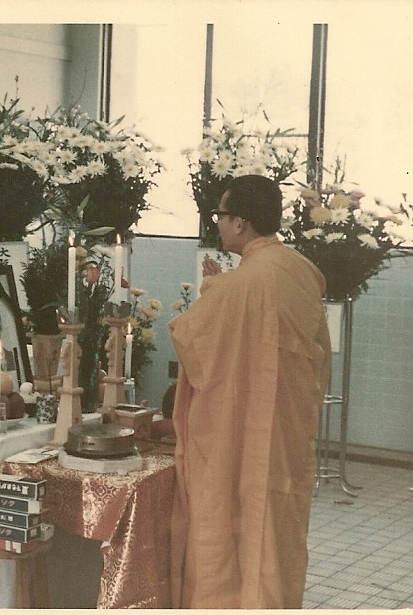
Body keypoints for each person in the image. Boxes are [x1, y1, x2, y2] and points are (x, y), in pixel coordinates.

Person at [168, 175, 331, 609]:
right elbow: (318, 359)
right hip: (284, 437)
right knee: (276, 533)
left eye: (220, 216)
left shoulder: (238, 285)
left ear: (240, 222)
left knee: (229, 531)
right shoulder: (301, 272)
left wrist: (214, 290)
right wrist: (222, 290)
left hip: (238, 440)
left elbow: (191, 340)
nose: (218, 224)